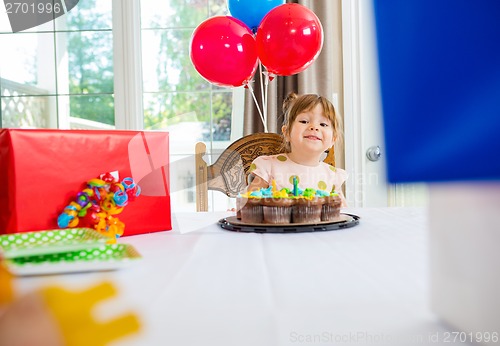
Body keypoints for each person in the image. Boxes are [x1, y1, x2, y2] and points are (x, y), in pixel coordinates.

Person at [247, 92, 348, 205]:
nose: (314, 127)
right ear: (287, 132)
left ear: (332, 140)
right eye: (304, 121)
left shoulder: (333, 176)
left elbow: (345, 214)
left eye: (323, 124)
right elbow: (249, 203)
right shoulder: (269, 167)